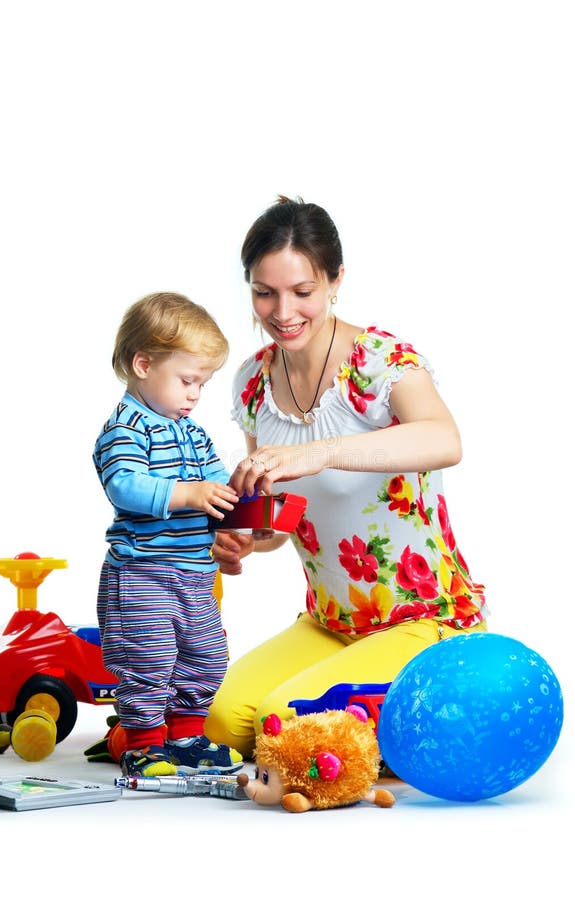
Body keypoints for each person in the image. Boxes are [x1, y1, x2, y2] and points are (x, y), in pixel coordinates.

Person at [205, 197, 488, 760]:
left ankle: (411, 729)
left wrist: (321, 451)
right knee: (224, 722)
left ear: (336, 281)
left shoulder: (381, 361)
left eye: (302, 292)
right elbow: (280, 522)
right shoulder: (252, 385)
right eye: (265, 293)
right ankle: (371, 739)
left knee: (277, 725)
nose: (283, 311)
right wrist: (246, 537)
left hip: (424, 619)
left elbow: (444, 439)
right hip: (331, 621)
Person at [93, 291, 244, 777]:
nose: (195, 394)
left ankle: (187, 738)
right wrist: (188, 494)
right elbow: (125, 485)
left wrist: (239, 513)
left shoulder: (192, 432)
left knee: (206, 655)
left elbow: (216, 487)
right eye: (187, 380)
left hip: (195, 574)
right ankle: (142, 741)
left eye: (202, 383)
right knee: (149, 657)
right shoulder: (126, 428)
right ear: (143, 364)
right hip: (142, 574)